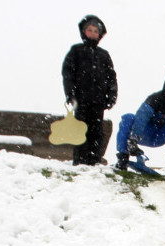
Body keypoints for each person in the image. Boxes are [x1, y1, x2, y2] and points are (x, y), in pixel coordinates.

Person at [61, 15, 118, 166]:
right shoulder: (76, 51)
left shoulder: (103, 55)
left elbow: (111, 77)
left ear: (100, 34)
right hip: (81, 100)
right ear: (84, 32)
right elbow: (68, 74)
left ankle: (94, 160)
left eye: (95, 31)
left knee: (96, 132)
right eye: (90, 30)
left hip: (98, 101)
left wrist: (111, 96)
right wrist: (70, 94)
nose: (92, 33)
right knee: (80, 130)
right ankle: (79, 160)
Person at [115, 69, 165, 175]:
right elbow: (142, 117)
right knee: (128, 118)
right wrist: (134, 140)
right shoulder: (154, 99)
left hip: (159, 137)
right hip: (143, 133)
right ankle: (123, 159)